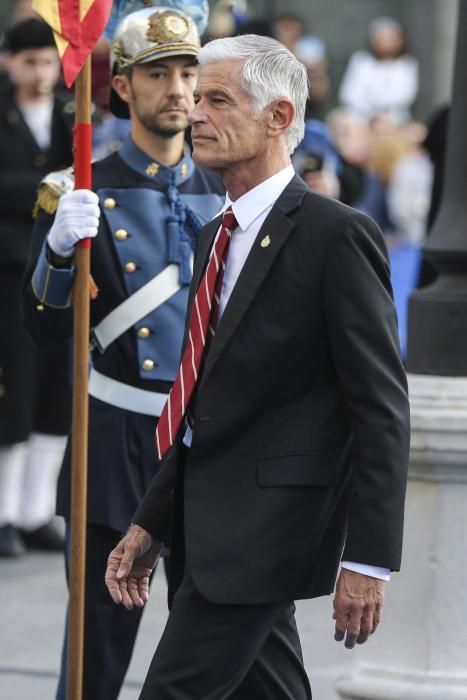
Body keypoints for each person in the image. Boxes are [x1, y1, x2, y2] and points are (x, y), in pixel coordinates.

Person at [105, 34, 411, 699]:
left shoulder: (336, 234)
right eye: (196, 100)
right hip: (205, 530)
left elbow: (379, 408)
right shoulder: (217, 233)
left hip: (264, 538)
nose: (194, 114)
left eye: (216, 99)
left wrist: (367, 560)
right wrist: (152, 520)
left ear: (278, 118)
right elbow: (202, 398)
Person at [22, 6, 224, 699]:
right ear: (122, 90)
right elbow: (45, 329)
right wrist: (55, 248)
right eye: (158, 74)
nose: (176, 89)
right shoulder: (80, 187)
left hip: (207, 443)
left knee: (216, 645)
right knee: (98, 646)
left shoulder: (230, 191)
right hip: (117, 443)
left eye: (188, 73)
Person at [0, 17, 73, 557]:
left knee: (56, 392)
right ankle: (4, 511)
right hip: (7, 268)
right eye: (30, 62)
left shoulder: (73, 111)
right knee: (14, 392)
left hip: (58, 262)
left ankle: (36, 510)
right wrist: (48, 189)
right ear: (9, 61)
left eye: (48, 61)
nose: (41, 73)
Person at [338, 16, 418, 126]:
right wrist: (370, 113)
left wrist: (381, 112)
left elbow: (405, 96)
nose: (386, 43)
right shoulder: (360, 61)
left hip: (394, 118)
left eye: (390, 39)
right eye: (381, 39)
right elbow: (349, 95)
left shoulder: (407, 64)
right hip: (360, 117)